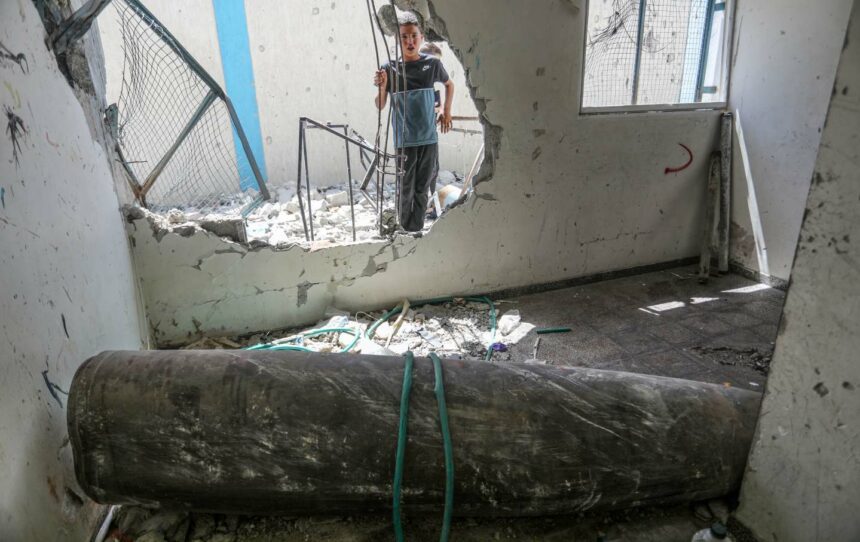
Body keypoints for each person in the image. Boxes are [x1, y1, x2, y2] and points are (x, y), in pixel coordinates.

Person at [373, 12, 453, 232]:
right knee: (405, 187)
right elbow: (380, 105)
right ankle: (403, 229)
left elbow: (449, 84)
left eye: (413, 36)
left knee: (422, 186)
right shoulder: (389, 69)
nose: (409, 41)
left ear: (421, 38)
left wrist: (447, 112)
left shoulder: (432, 64)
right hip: (404, 141)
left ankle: (415, 230)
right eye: (404, 37)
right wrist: (382, 86)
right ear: (398, 41)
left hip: (428, 138)